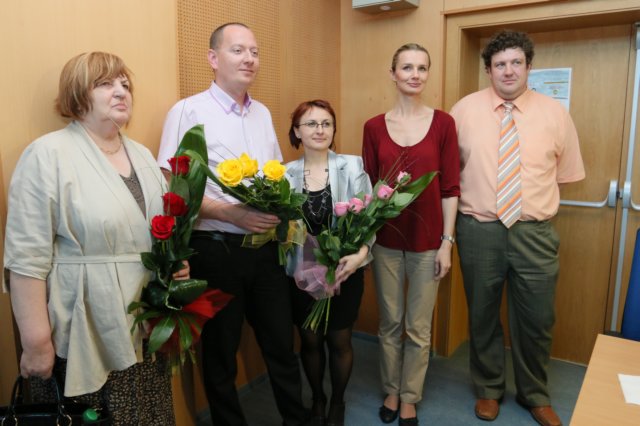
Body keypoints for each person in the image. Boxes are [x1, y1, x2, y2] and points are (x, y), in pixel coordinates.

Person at [4, 51, 186, 425]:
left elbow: (155, 233)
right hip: (85, 328)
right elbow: (26, 259)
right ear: (77, 93)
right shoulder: (47, 154)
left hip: (145, 324)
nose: (121, 91)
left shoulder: (142, 155)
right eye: (104, 83)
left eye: (125, 84)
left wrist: (172, 265)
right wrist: (36, 343)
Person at [156, 22, 309, 426]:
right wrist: (228, 212)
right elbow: (172, 189)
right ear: (213, 58)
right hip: (216, 251)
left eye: (254, 52)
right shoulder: (188, 111)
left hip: (265, 252)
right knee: (220, 353)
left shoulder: (262, 113)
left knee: (281, 345)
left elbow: (275, 177)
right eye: (238, 50)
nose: (249, 59)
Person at [450, 30, 585, 426]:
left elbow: (562, 176)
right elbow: (450, 174)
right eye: (499, 64)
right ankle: (489, 388)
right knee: (482, 315)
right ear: (488, 70)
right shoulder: (463, 111)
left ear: (529, 67)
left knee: (537, 319)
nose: (508, 71)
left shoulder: (555, 114)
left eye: (516, 63)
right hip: (478, 230)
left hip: (534, 234)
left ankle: (534, 394)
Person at [362, 43, 460, 425]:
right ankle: (391, 389)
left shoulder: (443, 124)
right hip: (386, 241)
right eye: (407, 67)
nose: (415, 74)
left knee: (418, 327)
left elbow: (450, 188)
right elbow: (369, 188)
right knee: (390, 322)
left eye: (421, 68)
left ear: (427, 74)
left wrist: (447, 243)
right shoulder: (373, 127)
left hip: (428, 242)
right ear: (393, 74)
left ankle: (410, 397)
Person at [285, 100, 373, 426]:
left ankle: (337, 401)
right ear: (297, 132)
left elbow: (369, 219)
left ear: (334, 130)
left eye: (326, 123)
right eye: (311, 124)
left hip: (344, 269)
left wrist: (361, 254)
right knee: (309, 340)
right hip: (301, 272)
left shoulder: (351, 166)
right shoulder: (284, 174)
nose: (320, 130)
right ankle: (318, 400)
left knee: (339, 340)